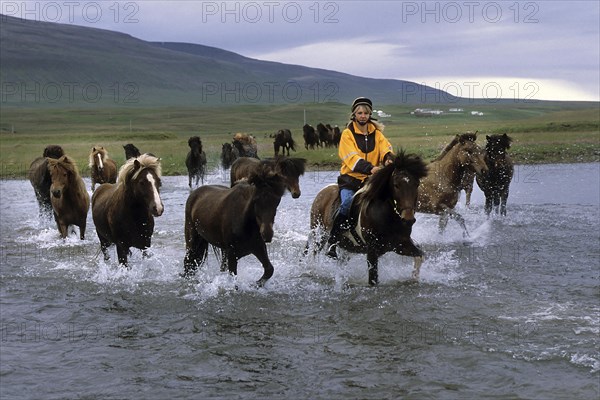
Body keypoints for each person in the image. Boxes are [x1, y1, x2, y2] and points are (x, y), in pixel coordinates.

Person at [326, 97, 395, 259]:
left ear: (370, 114)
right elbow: (351, 158)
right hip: (350, 180)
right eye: (359, 113)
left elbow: (386, 148)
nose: (363, 116)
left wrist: (388, 159)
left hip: (371, 181)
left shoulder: (377, 134)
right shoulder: (347, 134)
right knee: (346, 204)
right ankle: (333, 242)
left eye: (365, 113)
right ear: (354, 114)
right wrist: (371, 168)